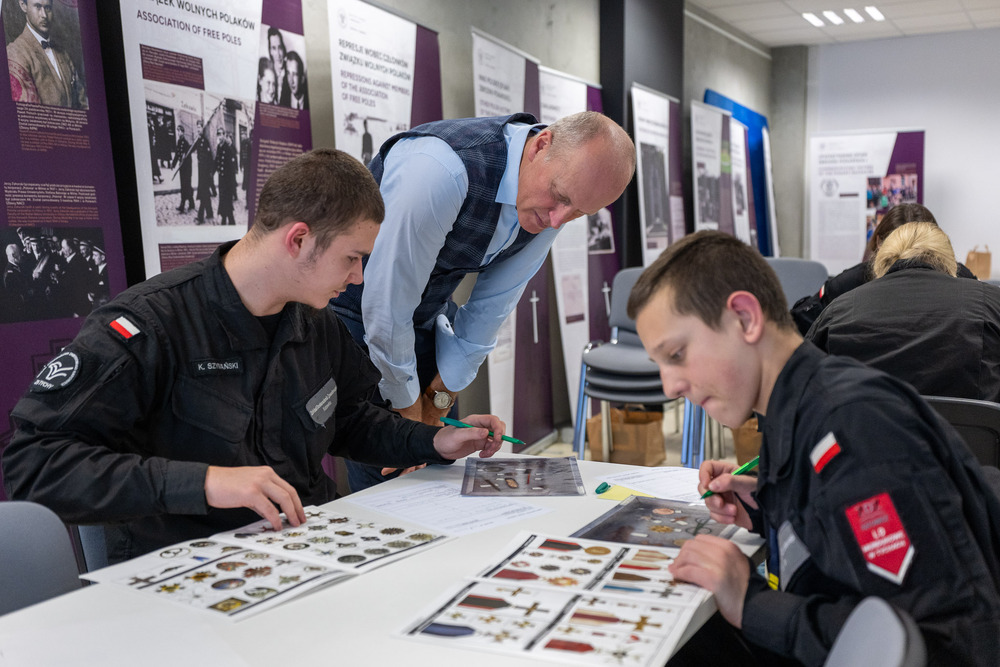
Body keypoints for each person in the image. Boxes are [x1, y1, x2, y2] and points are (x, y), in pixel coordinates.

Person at [2, 148, 506, 564]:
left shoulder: (316, 326)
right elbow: (33, 464)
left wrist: (434, 440)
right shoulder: (150, 326)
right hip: (192, 571)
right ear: (299, 239)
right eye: (352, 259)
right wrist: (202, 483)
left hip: (309, 555)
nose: (357, 279)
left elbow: (351, 420)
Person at [627, 230, 1000, 666]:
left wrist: (750, 603)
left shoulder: (854, 428)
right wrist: (766, 511)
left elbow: (934, 641)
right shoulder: (800, 410)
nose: (670, 386)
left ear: (745, 319)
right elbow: (839, 542)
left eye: (676, 354)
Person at [330, 111, 635, 491]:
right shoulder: (440, 170)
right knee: (392, 487)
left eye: (578, 213)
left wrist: (437, 402)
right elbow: (385, 306)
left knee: (442, 475)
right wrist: (410, 423)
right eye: (560, 198)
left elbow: (491, 310)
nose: (558, 221)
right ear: (542, 144)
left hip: (423, 318)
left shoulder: (552, 206)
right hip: (355, 316)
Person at [807, 222, 1000, 402]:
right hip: (972, 437)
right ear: (951, 263)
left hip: (869, 435)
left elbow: (800, 386)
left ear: (880, 263)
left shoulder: (838, 311)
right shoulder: (992, 303)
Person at [790, 203, 976, 334]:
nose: (909, 258)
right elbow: (801, 322)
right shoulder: (852, 282)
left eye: (919, 248)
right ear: (879, 243)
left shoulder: (961, 279)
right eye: (899, 246)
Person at [6, 0, 86, 109]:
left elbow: (83, 103)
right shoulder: (15, 52)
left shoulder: (63, 54)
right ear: (23, 6)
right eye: (38, 7)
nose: (44, 15)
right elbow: (29, 113)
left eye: (47, 8)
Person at [193, 120, 215, 224]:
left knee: (203, 193)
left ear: (203, 128)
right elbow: (193, 150)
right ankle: (210, 213)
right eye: (197, 127)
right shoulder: (198, 141)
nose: (198, 129)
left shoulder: (205, 141)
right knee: (205, 194)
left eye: (200, 127)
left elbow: (210, 158)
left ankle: (200, 217)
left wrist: (210, 173)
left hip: (205, 174)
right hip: (201, 173)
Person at [215, 129, 238, 226]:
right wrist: (212, 171)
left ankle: (231, 221)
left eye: (222, 134)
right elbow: (217, 161)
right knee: (223, 199)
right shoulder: (219, 147)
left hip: (228, 181)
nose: (220, 136)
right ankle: (224, 218)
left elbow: (231, 168)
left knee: (227, 200)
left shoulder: (228, 148)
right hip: (221, 179)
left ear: (224, 135)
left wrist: (232, 184)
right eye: (218, 134)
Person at [172, 125, 196, 213]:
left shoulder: (186, 143)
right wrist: (173, 164)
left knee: (186, 185)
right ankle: (191, 202)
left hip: (187, 168)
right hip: (182, 168)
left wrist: (184, 160)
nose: (178, 133)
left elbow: (188, 157)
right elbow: (177, 153)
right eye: (177, 131)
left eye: (180, 131)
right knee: (184, 186)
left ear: (183, 132)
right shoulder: (178, 142)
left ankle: (183, 204)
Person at [267, 27, 290, 107]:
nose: (278, 54)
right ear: (270, 51)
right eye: (274, 48)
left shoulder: (290, 74)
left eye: (280, 47)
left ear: (283, 49)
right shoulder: (267, 75)